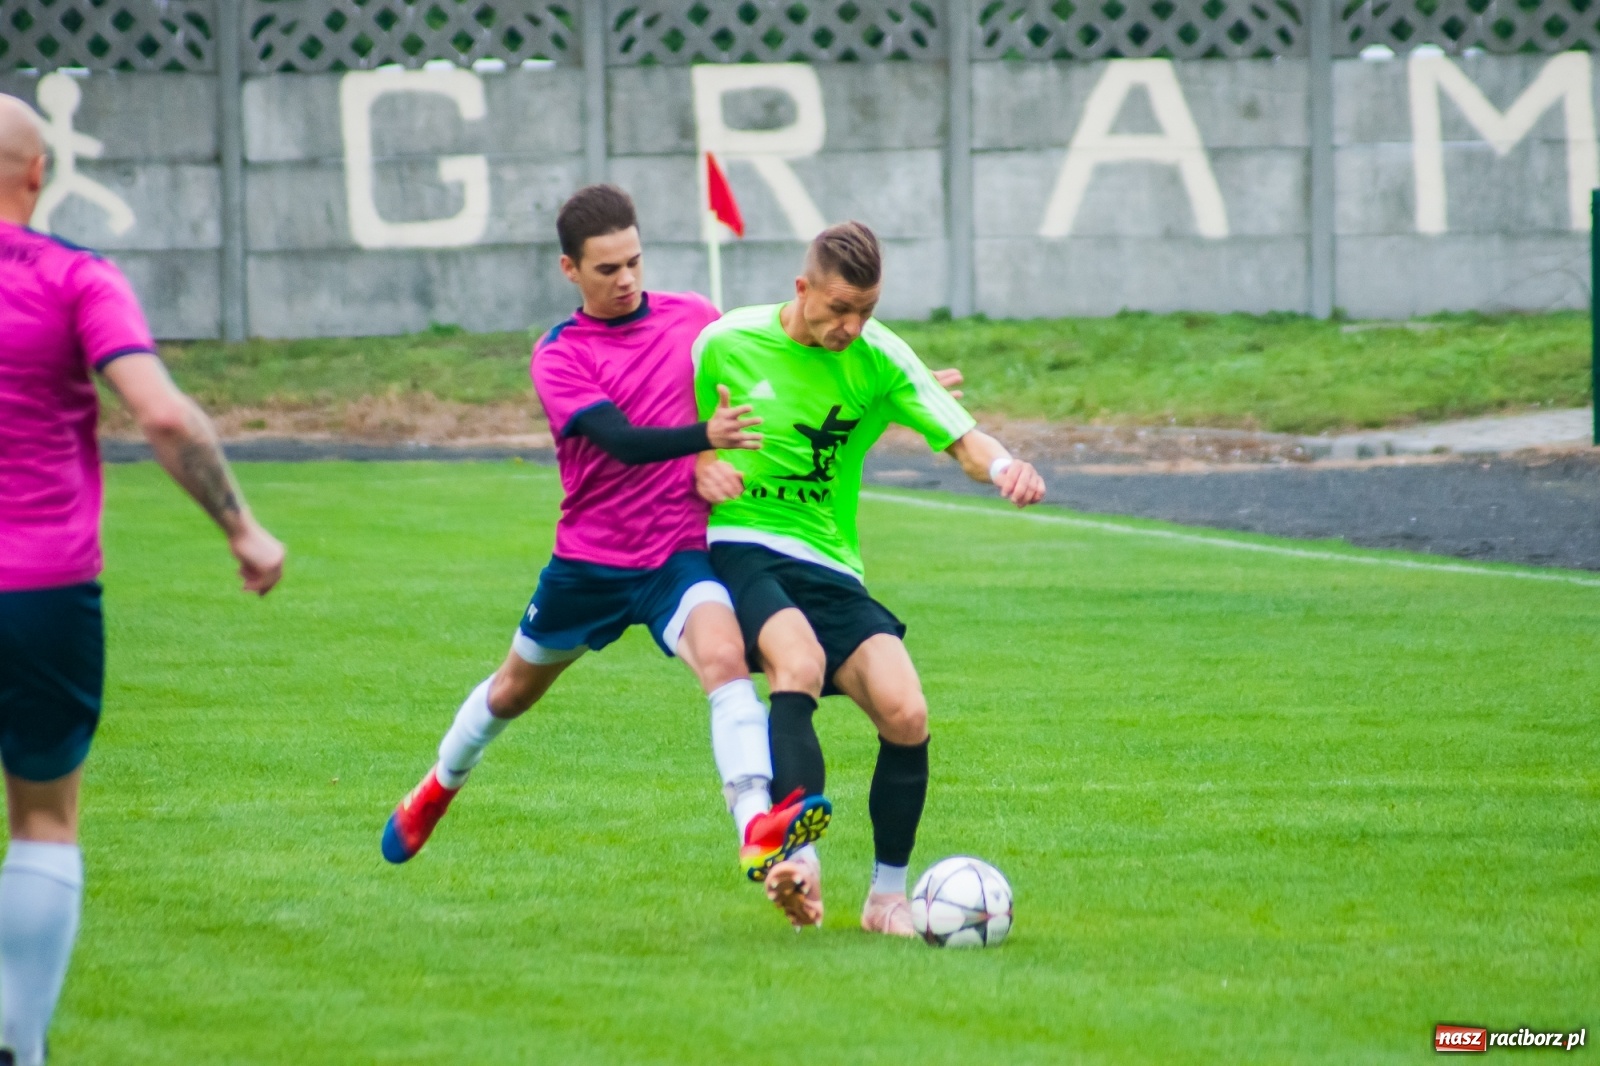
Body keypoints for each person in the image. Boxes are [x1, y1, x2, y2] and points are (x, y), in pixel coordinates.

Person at [380, 185, 831, 885]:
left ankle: (756, 828)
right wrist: (703, 439)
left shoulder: (695, 318)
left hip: (676, 555)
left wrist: (896, 384)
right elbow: (620, 441)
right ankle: (440, 784)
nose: (626, 280)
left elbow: (775, 353)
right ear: (570, 269)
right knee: (512, 692)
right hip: (590, 563)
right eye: (607, 269)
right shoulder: (559, 355)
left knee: (724, 660)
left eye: (634, 262)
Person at [0, 94, 286, 1066]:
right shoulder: (77, 277)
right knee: (43, 818)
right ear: (39, 171)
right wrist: (242, 528)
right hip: (41, 591)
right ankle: (19, 1044)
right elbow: (162, 414)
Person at [692, 220, 1047, 936]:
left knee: (906, 711)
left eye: (866, 310)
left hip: (830, 561)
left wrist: (1006, 465)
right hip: (742, 544)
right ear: (802, 289)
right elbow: (680, 431)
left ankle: (887, 898)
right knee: (798, 661)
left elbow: (962, 439)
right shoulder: (725, 342)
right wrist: (699, 466)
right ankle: (799, 860)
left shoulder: (879, 355)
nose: (851, 327)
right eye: (838, 309)